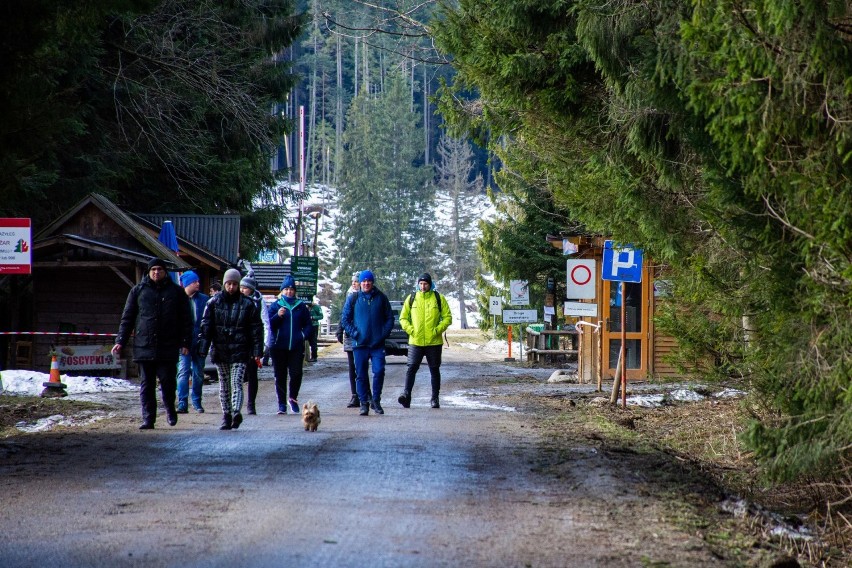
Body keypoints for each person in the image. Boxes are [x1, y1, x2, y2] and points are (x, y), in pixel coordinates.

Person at [113, 257, 192, 429]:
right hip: (144, 345)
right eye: (153, 270)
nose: (156, 272)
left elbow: (186, 319)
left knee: (168, 383)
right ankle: (148, 418)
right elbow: (127, 318)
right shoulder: (138, 291)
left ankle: (170, 409)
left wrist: (185, 342)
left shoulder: (176, 292)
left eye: (160, 270)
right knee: (146, 385)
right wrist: (121, 340)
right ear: (148, 272)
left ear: (165, 272)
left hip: (168, 346)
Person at [197, 268, 263, 430]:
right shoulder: (214, 303)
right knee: (224, 384)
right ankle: (226, 414)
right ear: (225, 284)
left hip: (241, 350)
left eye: (235, 284)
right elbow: (206, 327)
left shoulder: (248, 304)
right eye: (229, 284)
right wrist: (203, 348)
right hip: (221, 349)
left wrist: (257, 351)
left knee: (237, 382)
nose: (232, 287)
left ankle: (235, 412)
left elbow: (256, 329)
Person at [340, 270, 393, 416]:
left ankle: (376, 401)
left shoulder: (381, 298)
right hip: (360, 344)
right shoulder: (353, 298)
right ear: (360, 283)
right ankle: (363, 403)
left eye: (369, 281)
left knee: (379, 371)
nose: (366, 283)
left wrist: (383, 334)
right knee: (361, 374)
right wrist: (355, 334)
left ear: (372, 282)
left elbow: (390, 318)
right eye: (363, 281)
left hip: (377, 344)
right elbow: (345, 319)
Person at [398, 273, 453, 409]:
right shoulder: (412, 298)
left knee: (434, 370)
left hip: (434, 342)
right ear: (418, 284)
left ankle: (435, 399)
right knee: (411, 368)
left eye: (425, 284)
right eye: (421, 284)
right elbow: (403, 318)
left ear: (430, 284)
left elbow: (447, 317)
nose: (423, 286)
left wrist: (437, 330)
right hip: (415, 341)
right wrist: (411, 330)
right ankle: (406, 396)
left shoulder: (438, 298)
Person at [268, 275, 312, 415]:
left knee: (296, 373)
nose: (289, 292)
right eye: (286, 289)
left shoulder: (301, 307)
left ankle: (292, 398)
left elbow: (308, 325)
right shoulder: (276, 306)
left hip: (296, 346)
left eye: (291, 289)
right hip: (278, 347)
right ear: (282, 291)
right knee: (280, 375)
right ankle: (281, 404)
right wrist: (277, 316)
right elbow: (268, 325)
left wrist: (303, 336)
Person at [176, 270, 209, 413]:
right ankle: (182, 402)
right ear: (188, 283)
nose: (198, 284)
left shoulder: (204, 300)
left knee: (198, 373)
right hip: (183, 343)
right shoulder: (178, 299)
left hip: (199, 341)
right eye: (195, 282)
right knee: (183, 372)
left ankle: (197, 401)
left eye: (198, 281)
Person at [239, 275, 271, 415]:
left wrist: (265, 344)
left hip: (252, 343)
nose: (241, 290)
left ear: (251, 289)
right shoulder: (235, 300)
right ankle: (236, 404)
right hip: (238, 342)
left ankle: (251, 404)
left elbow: (265, 322)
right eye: (241, 287)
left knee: (252, 374)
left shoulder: (259, 302)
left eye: (244, 288)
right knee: (238, 375)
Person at [336, 272, 364, 408]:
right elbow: (344, 314)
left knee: (361, 366)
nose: (354, 283)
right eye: (353, 281)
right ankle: (354, 395)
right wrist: (340, 329)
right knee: (352, 367)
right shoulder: (349, 296)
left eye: (357, 281)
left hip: (362, 334)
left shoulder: (365, 296)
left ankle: (364, 394)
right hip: (349, 335)